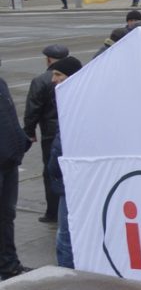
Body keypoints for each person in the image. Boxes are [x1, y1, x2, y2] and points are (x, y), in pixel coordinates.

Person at [24, 44, 69, 224]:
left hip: (50, 133)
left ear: (48, 59)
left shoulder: (41, 80)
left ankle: (52, 212)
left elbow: (32, 109)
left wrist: (29, 132)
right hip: (69, 130)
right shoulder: (74, 74)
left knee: (51, 171)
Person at [44, 56, 82, 268]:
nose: (53, 80)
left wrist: (53, 169)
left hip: (70, 179)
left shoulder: (72, 102)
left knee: (65, 233)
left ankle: (66, 275)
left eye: (58, 75)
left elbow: (60, 145)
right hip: (69, 177)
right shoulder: (65, 97)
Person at [1, 61, 34, 280]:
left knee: (5, 217)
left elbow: (8, 119)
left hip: (8, 162)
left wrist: (21, 142)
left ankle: (8, 266)